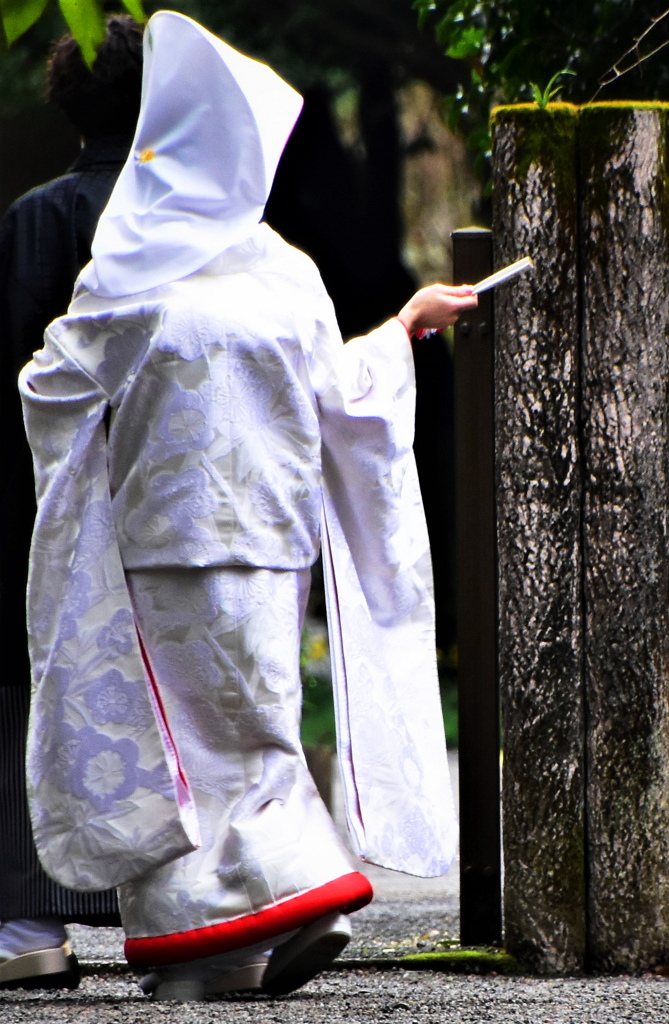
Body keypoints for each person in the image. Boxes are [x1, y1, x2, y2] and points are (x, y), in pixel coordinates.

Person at [18, 11, 478, 1001]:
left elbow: (333, 390)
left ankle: (243, 928)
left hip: (236, 534)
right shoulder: (196, 267)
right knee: (206, 745)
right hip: (195, 536)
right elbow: (57, 385)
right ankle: (254, 921)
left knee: (235, 729)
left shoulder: (217, 269)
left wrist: (405, 325)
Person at [0, 14, 143, 990]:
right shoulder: (179, 231)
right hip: (153, 504)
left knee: (27, 691)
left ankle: (25, 925)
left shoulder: (35, 219)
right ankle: (159, 914)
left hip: (39, 500)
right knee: (156, 692)